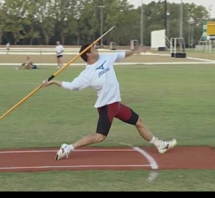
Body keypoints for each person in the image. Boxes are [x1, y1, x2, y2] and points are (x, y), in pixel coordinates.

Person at [42, 43, 177, 161]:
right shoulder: (86, 74)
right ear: (88, 54)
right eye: (93, 48)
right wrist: (53, 82)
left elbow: (121, 55)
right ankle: (69, 147)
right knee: (100, 136)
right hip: (107, 105)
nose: (96, 49)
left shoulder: (105, 58)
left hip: (116, 104)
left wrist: (135, 51)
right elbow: (72, 86)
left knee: (139, 122)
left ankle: (160, 145)